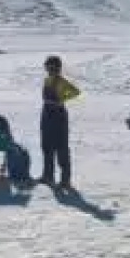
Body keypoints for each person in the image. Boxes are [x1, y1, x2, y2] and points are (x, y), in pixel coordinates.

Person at [39, 54, 80, 189]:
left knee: (61, 148)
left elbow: (75, 92)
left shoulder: (60, 81)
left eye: (51, 66)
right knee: (46, 147)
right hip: (46, 115)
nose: (48, 69)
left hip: (58, 116)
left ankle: (65, 180)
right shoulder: (47, 80)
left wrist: (62, 99)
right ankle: (48, 176)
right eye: (47, 66)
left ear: (57, 67)